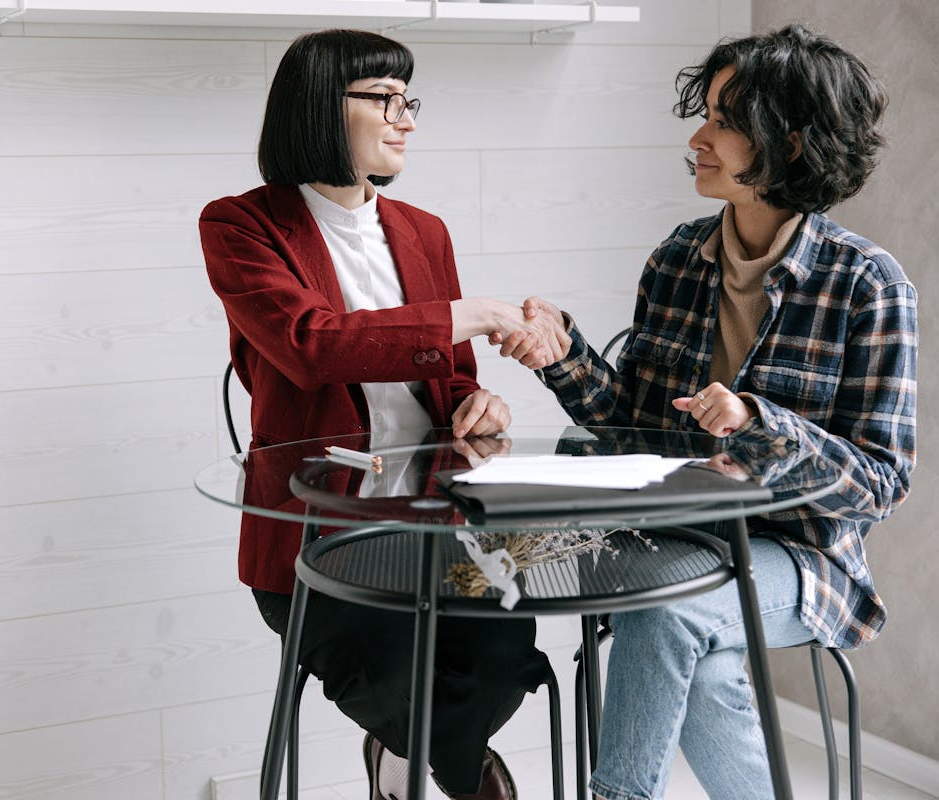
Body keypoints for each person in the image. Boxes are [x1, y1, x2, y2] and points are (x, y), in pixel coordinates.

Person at [499, 24, 917, 800]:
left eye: (725, 120)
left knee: (667, 616)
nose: (698, 136)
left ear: (789, 145)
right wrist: (561, 355)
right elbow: (633, 424)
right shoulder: (676, 259)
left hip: (798, 559)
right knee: (701, 659)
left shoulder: (868, 285)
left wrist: (761, 424)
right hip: (669, 538)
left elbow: (880, 484)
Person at [199, 29, 569, 800]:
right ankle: (460, 780)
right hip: (318, 540)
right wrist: (466, 314)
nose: (406, 118)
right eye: (383, 98)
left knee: (503, 658)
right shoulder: (241, 225)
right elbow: (312, 345)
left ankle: (399, 767)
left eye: (410, 100)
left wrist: (479, 402)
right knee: (401, 674)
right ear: (317, 107)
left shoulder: (424, 232)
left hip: (438, 529)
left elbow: (454, 381)